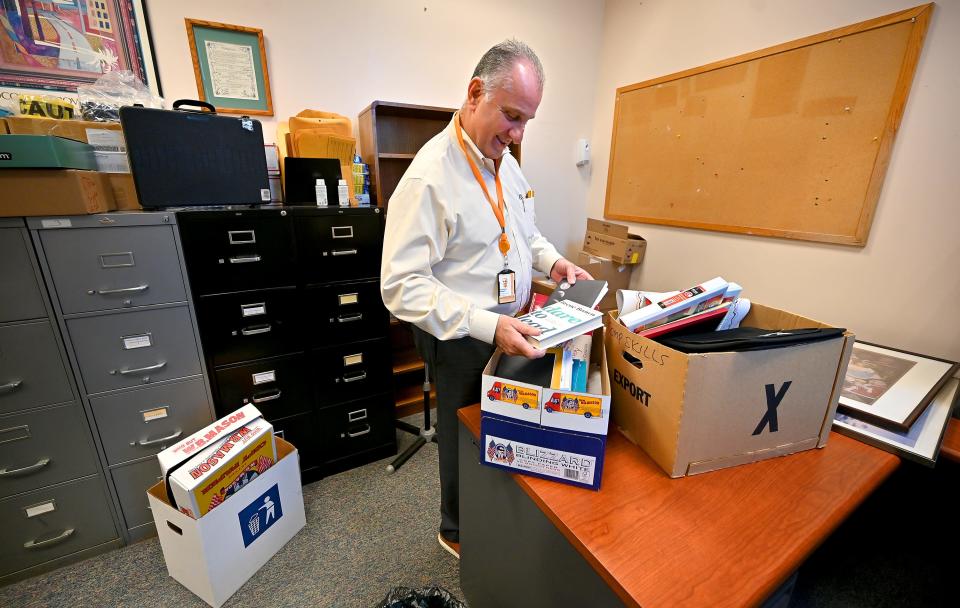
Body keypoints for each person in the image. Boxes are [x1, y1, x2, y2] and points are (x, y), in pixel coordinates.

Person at [380, 39, 591, 559]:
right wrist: (484, 324)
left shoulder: (505, 161)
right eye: (512, 116)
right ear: (476, 93)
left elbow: (524, 233)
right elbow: (400, 284)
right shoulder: (431, 177)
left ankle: (491, 508)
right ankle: (455, 531)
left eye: (527, 122)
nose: (517, 134)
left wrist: (553, 263)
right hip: (459, 332)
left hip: (508, 321)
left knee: (494, 423)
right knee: (461, 430)